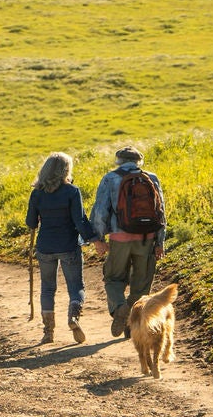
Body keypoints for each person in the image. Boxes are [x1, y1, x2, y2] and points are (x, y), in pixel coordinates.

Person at [89, 147, 167, 339]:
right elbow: (161, 211)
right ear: (139, 161)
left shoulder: (110, 178)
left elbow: (100, 211)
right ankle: (131, 324)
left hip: (119, 238)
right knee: (141, 284)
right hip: (146, 238)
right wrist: (160, 242)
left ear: (118, 161)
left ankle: (119, 307)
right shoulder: (151, 178)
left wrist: (98, 238)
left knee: (114, 278)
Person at [26, 152, 98, 344]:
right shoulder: (72, 191)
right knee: (76, 287)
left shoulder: (37, 193)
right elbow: (80, 221)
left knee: (48, 288)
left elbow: (30, 222)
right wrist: (94, 239)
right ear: (66, 170)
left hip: (45, 247)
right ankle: (73, 316)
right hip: (68, 246)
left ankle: (48, 332)